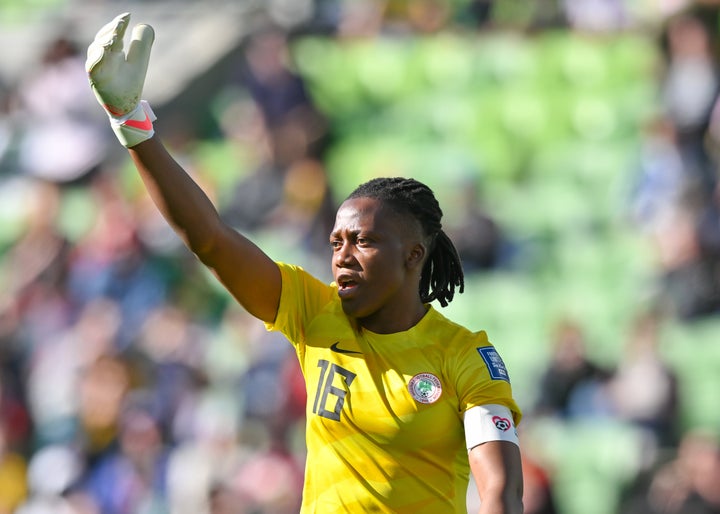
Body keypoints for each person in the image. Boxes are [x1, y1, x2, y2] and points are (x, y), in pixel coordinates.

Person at [85, 12, 523, 513]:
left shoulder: (465, 357)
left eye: (363, 242)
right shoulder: (311, 312)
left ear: (413, 255)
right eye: (336, 243)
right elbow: (209, 238)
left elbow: (499, 492)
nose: (343, 258)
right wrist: (132, 124)